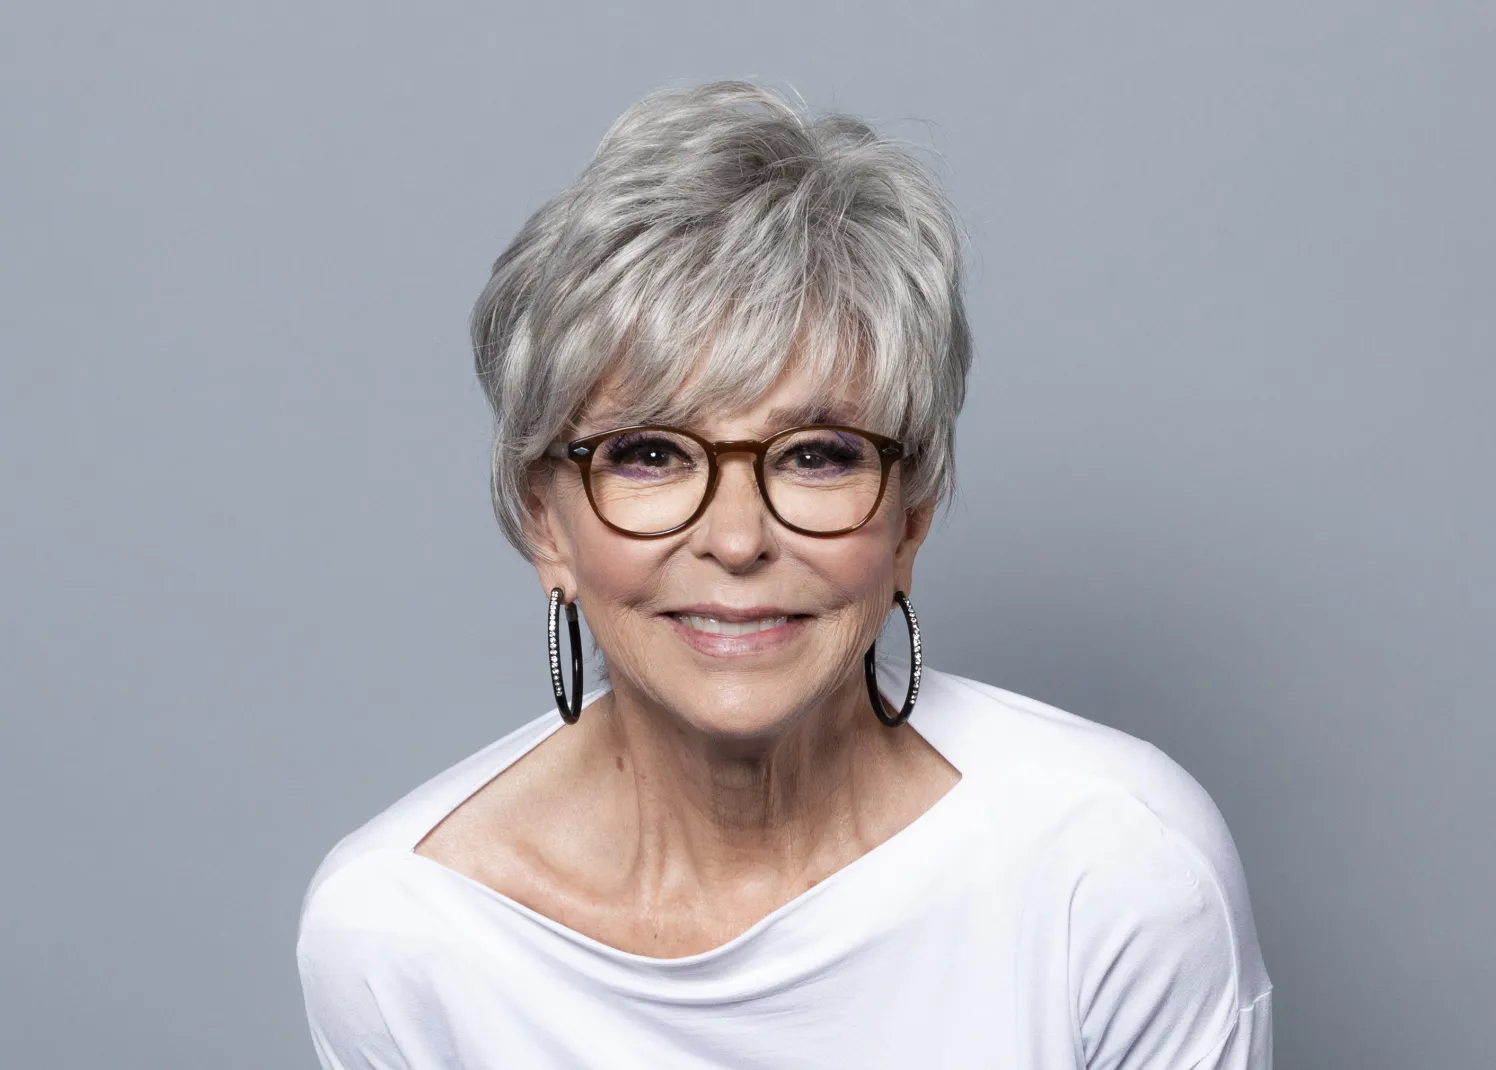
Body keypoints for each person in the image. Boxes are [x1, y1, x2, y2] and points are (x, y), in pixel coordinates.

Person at [295, 81, 1272, 1068]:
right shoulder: (403, 935)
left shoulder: (1114, 869)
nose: (736, 539)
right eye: (649, 453)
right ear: (544, 522)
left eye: (815, 454)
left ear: (911, 515)